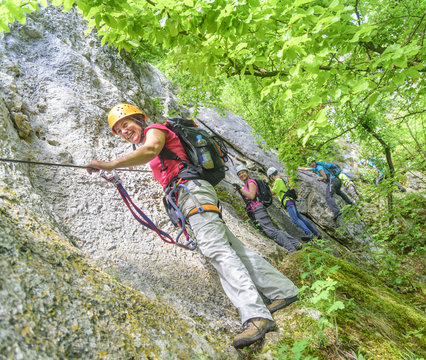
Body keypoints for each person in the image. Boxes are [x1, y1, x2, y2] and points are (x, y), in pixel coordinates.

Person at [85, 103, 298, 349]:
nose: (124, 131)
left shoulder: (155, 130)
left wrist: (110, 164)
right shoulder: (148, 143)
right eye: (119, 130)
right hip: (190, 195)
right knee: (232, 248)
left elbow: (151, 148)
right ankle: (283, 290)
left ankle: (256, 315)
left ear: (140, 120)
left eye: (126, 124)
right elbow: (151, 156)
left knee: (215, 250)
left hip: (192, 192)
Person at [234, 165, 302, 252]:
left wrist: (241, 189)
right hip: (257, 209)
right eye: (239, 174)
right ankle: (296, 244)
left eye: (243, 172)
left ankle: (291, 249)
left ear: (247, 172)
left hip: (258, 209)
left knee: (271, 232)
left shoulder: (251, 182)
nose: (241, 175)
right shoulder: (246, 185)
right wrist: (241, 190)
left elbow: (251, 196)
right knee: (273, 230)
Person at [266, 167, 321, 241]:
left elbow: (272, 193)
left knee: (295, 219)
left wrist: (268, 186)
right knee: (301, 219)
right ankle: (316, 233)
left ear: (271, 176)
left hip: (288, 202)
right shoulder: (284, 178)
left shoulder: (277, 181)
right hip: (292, 201)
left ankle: (309, 234)